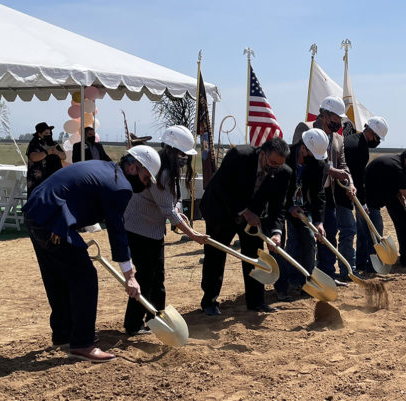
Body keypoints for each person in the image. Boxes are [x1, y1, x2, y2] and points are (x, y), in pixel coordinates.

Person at [22, 145, 161, 363]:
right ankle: (82, 343)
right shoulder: (120, 186)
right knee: (85, 277)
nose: (145, 185)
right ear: (134, 168)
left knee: (57, 276)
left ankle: (63, 334)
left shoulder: (107, 169)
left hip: (36, 212)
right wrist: (129, 275)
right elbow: (117, 230)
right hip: (53, 219)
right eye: (145, 178)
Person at [122, 126, 207, 335]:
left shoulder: (166, 169)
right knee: (146, 278)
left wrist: (179, 213)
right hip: (139, 230)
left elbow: (170, 203)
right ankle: (133, 325)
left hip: (152, 231)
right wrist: (193, 234)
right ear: (169, 150)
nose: (184, 159)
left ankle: (155, 319)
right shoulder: (160, 171)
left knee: (157, 278)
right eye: (181, 154)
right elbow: (167, 210)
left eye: (186, 155)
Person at [199, 137, 292, 315]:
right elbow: (222, 187)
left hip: (253, 217)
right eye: (272, 163)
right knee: (215, 255)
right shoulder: (239, 155)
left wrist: (276, 233)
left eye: (278, 165)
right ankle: (209, 301)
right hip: (221, 210)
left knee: (254, 256)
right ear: (263, 154)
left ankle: (256, 301)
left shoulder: (284, 173)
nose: (274, 168)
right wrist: (244, 211)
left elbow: (278, 208)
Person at [293, 96, 355, 284]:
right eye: (336, 118)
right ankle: (301, 277)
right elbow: (303, 158)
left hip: (327, 193)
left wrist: (350, 181)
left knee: (329, 233)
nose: (338, 122)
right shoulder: (305, 128)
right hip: (305, 192)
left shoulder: (338, 138)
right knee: (305, 238)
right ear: (325, 114)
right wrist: (333, 171)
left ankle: (327, 275)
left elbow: (343, 165)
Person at [274, 129, 328, 301]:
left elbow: (318, 193)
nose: (314, 157)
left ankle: (307, 282)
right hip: (279, 205)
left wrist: (319, 221)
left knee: (309, 238)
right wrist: (289, 208)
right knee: (278, 244)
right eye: (312, 153)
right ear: (303, 148)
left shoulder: (317, 164)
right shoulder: (285, 157)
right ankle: (283, 286)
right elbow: (276, 191)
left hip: (302, 208)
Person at [365, 147, 406, 268]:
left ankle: (364, 263)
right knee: (374, 231)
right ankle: (369, 265)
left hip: (373, 201)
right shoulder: (397, 168)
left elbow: (398, 191)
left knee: (371, 231)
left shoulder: (398, 164)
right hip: (367, 202)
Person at [344, 116, 388, 273]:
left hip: (347, 190)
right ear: (371, 133)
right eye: (377, 138)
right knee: (358, 229)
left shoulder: (351, 139)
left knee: (362, 229)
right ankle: (366, 264)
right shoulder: (359, 147)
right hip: (348, 193)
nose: (377, 142)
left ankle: (362, 262)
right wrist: (363, 202)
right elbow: (358, 178)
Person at [26, 122, 66, 195]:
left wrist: (57, 152)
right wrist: (47, 152)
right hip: (38, 180)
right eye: (46, 133)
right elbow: (33, 157)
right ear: (40, 134)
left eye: (49, 133)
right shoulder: (34, 144)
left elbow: (64, 156)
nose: (49, 135)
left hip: (53, 178)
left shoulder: (54, 144)